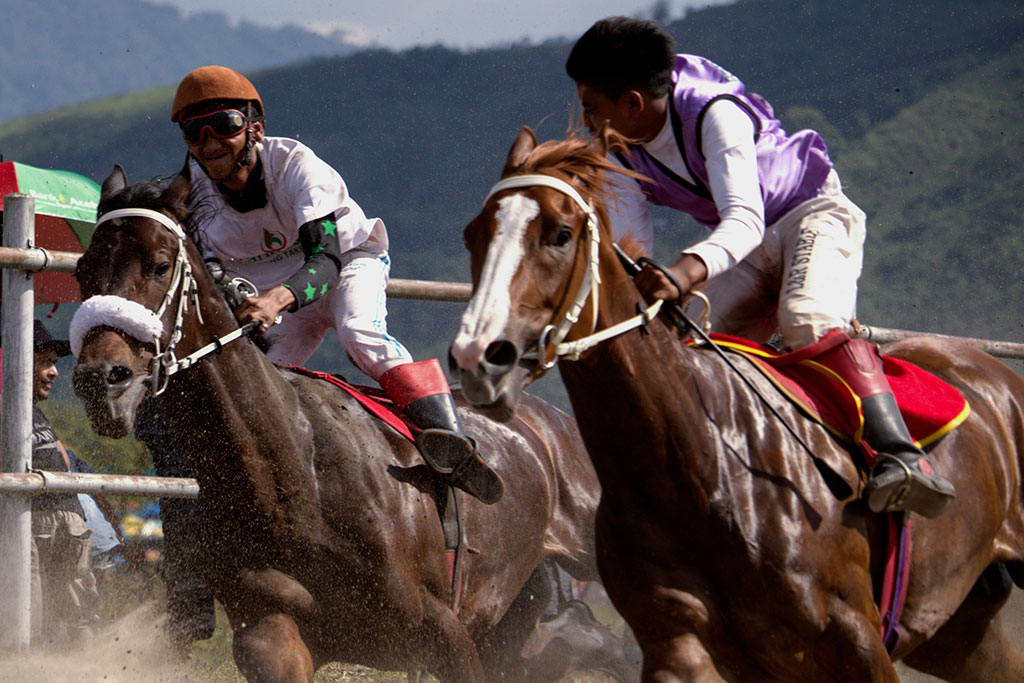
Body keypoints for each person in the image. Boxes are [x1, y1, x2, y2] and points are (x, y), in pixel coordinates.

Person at [565, 17, 954, 518]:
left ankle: (902, 457)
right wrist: (646, 288)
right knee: (681, 345)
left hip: (811, 214)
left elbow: (745, 220)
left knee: (807, 319)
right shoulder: (618, 149)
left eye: (592, 108)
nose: (588, 122)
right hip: (746, 247)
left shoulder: (715, 113)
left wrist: (682, 276)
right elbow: (633, 245)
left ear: (633, 103)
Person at [168, 66, 502, 504]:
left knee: (358, 333)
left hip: (345, 264)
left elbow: (325, 260)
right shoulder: (191, 195)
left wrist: (276, 300)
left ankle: (454, 446)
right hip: (274, 296)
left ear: (254, 129)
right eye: (195, 131)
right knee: (258, 382)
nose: (211, 141)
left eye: (225, 125)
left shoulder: (296, 165)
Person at [28, 319, 101, 646]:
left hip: (67, 517)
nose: (54, 372)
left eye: (53, 362)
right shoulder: (8, 408)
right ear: (15, 359)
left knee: (77, 614)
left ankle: (86, 673)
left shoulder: (35, 412)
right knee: (29, 612)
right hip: (29, 520)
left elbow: (65, 461)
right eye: (44, 362)